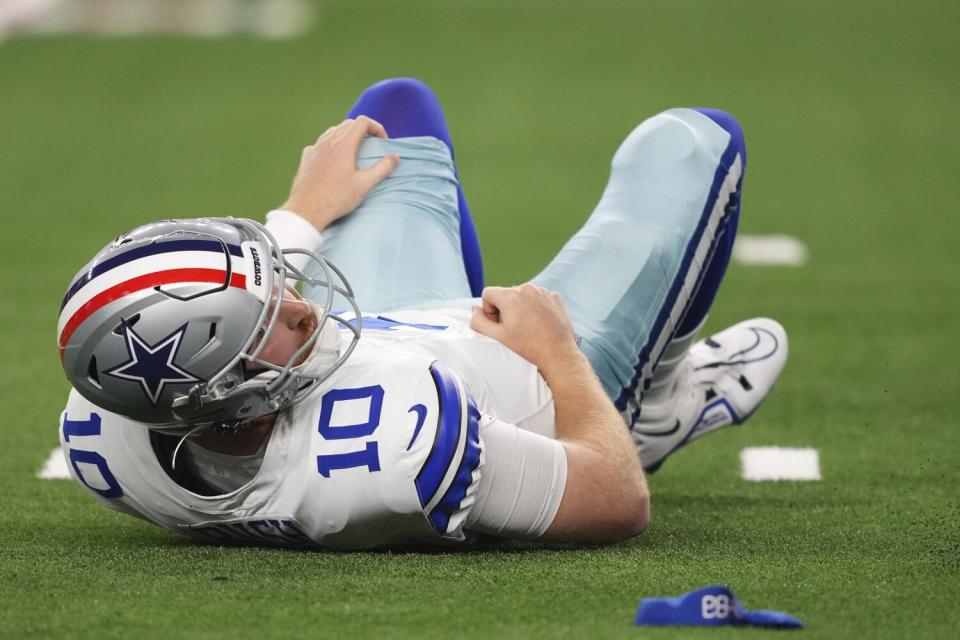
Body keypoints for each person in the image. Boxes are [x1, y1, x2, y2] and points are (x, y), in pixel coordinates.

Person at [56, 78, 787, 549]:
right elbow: (619, 500)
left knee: (391, 115)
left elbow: (192, 341)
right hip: (527, 370)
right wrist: (560, 354)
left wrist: (297, 217)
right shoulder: (397, 446)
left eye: (275, 283)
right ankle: (650, 405)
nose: (302, 305)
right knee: (694, 143)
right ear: (227, 398)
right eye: (271, 318)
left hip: (389, 329)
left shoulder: (108, 422)